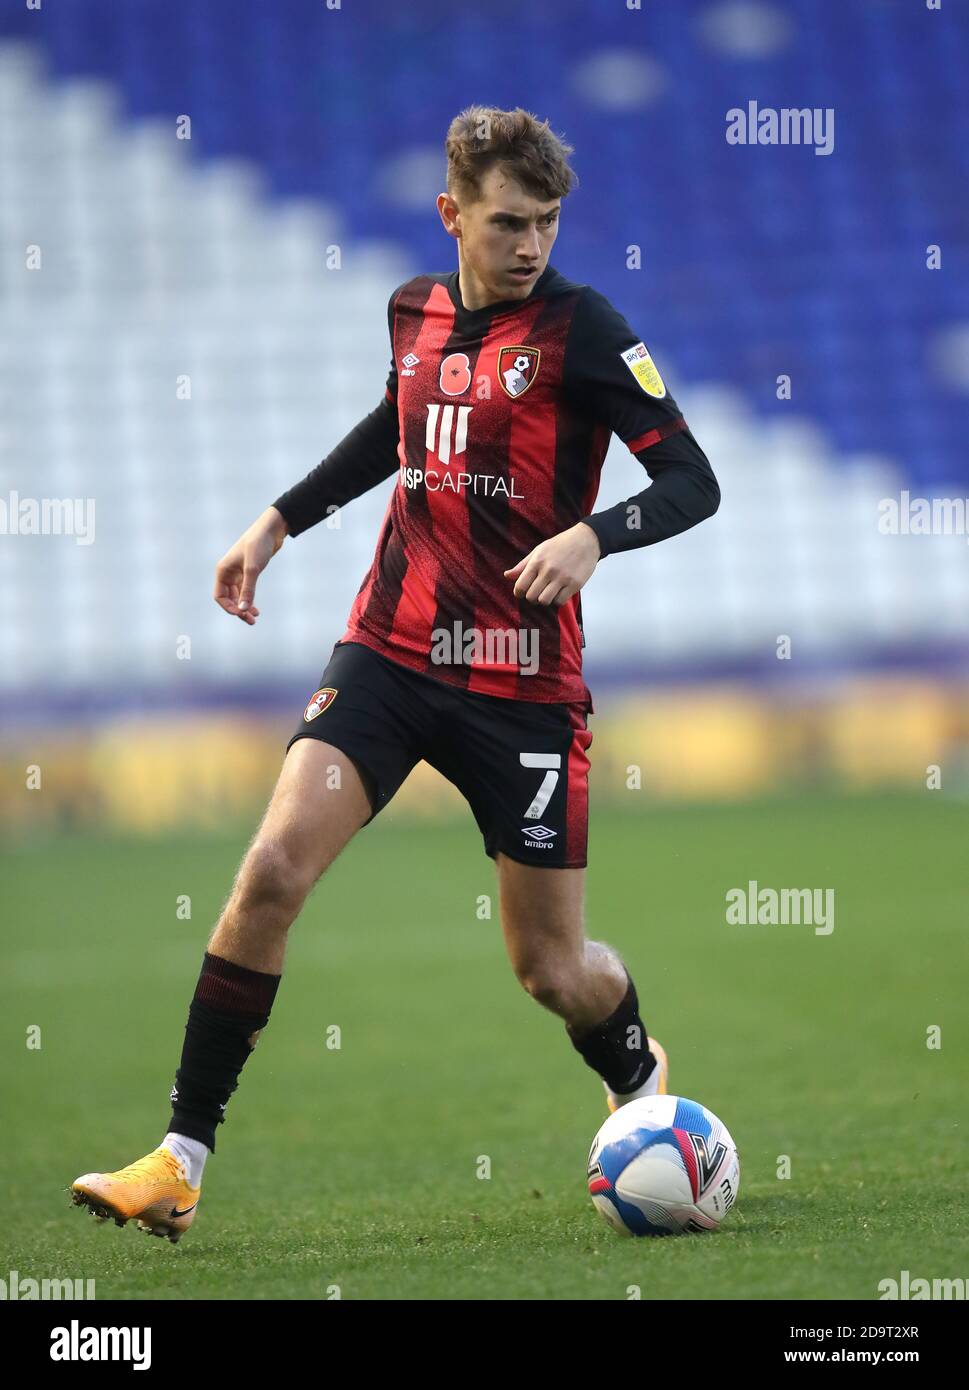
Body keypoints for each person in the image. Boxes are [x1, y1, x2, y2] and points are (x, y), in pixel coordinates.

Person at [72, 106, 719, 1243]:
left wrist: (593, 536)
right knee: (271, 867)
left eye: (549, 222)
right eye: (509, 222)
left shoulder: (584, 328)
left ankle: (634, 1065)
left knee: (552, 968)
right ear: (451, 215)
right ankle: (179, 1159)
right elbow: (398, 427)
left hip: (520, 684)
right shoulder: (412, 311)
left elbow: (693, 479)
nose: (531, 245)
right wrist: (277, 521)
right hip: (389, 650)